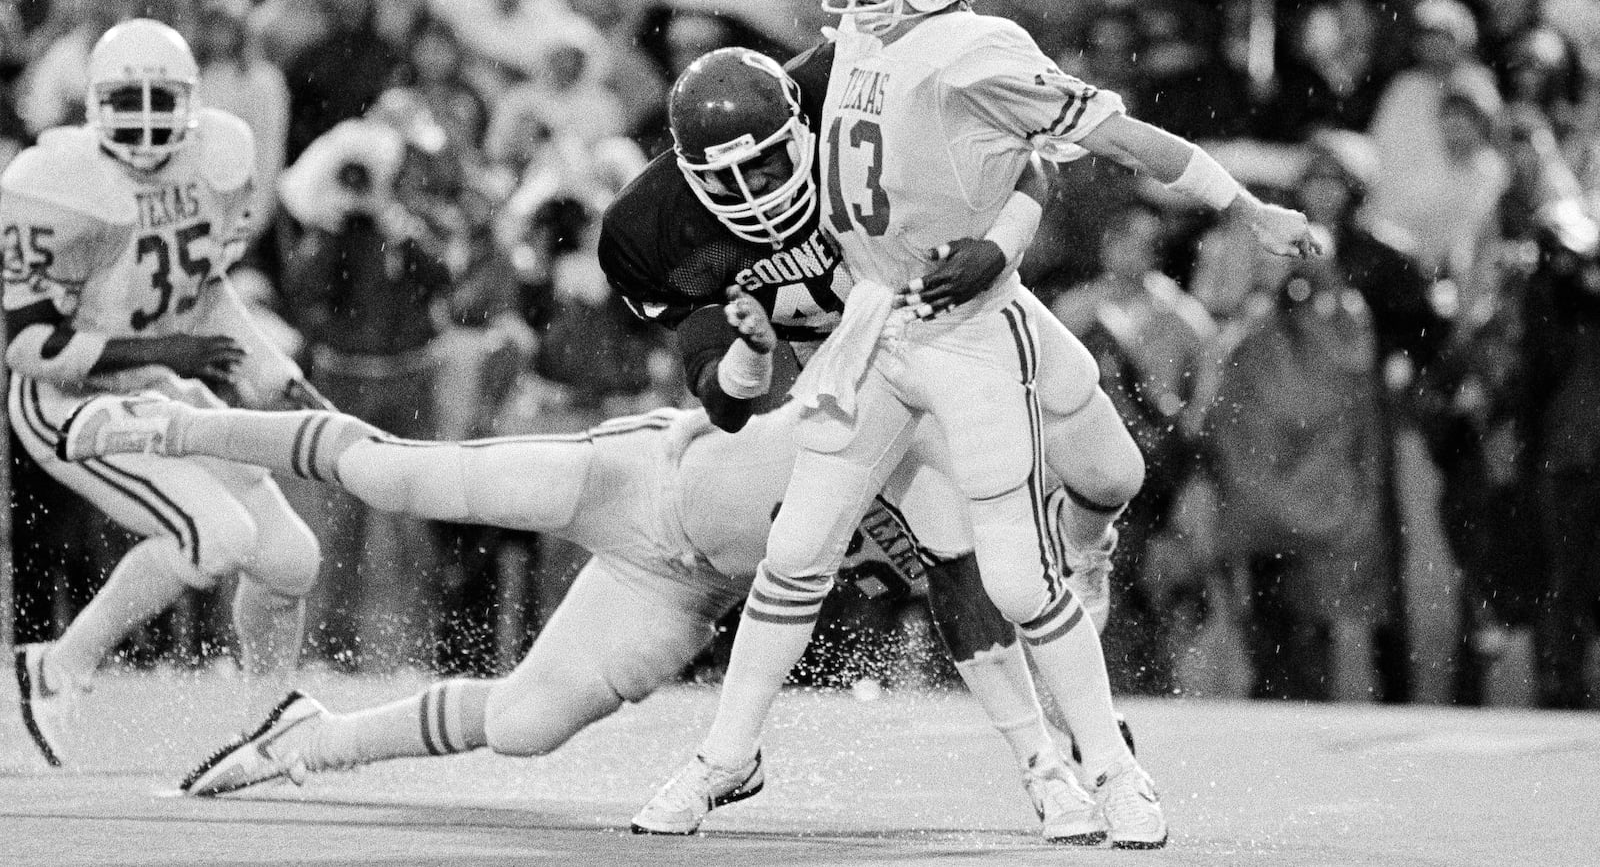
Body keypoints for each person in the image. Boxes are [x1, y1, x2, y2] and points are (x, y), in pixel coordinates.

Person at [633, 0, 1318, 848]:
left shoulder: (977, 53)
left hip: (965, 333)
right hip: (875, 323)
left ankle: (1113, 770)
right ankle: (724, 755)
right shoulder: (871, 33)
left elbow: (1118, 139)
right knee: (796, 550)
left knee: (1019, 574)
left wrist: (1244, 205)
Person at [60, 393, 1095, 838]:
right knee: (393, 472)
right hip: (637, 478)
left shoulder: (972, 510)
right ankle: (178, 422)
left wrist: (1076, 735)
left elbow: (983, 623)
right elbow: (780, 352)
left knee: (524, 724)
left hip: (688, 586)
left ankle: (310, 739)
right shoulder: (902, 385)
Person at [1, 19, 321, 768]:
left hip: (151, 390)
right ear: (92, 105)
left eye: (160, 98)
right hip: (67, 405)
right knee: (218, 536)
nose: (145, 116)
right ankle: (59, 666)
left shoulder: (217, 159)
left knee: (288, 559)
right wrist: (165, 350)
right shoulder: (57, 183)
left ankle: (264, 726)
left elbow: (203, 292)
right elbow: (26, 344)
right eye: (127, 98)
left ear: (193, 103)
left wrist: (269, 370)